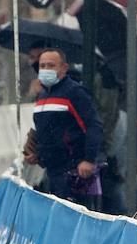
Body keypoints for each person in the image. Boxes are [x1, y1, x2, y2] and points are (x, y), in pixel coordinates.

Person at [25, 47, 104, 205]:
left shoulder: (75, 93)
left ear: (64, 68)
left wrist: (88, 159)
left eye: (51, 66)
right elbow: (47, 133)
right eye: (43, 66)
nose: (46, 70)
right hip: (51, 171)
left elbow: (93, 126)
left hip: (75, 172)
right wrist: (36, 154)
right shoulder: (42, 97)